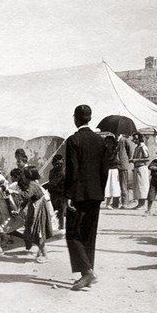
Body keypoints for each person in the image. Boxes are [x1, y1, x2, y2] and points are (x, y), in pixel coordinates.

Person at [64, 105, 108, 291]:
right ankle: (86, 273)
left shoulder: (73, 140)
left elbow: (72, 171)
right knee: (89, 234)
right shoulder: (101, 141)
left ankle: (87, 271)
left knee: (73, 234)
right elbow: (104, 171)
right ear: (90, 118)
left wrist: (67, 195)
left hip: (78, 195)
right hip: (96, 194)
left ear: (76, 118)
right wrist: (99, 191)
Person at [16, 167, 53, 262]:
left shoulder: (32, 185)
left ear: (28, 176)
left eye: (23, 175)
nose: (22, 177)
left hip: (38, 210)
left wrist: (13, 192)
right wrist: (19, 210)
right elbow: (26, 200)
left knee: (37, 233)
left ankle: (45, 255)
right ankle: (41, 252)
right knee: (34, 232)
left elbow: (25, 196)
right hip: (36, 209)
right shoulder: (33, 184)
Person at [44, 155, 66, 229]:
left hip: (61, 195)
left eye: (61, 164)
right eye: (57, 164)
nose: (59, 165)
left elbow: (53, 183)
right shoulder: (52, 171)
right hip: (53, 194)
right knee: (52, 212)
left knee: (60, 213)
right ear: (53, 164)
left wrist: (41, 187)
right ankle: (54, 227)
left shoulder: (61, 173)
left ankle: (61, 228)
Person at [130, 132, 150, 209]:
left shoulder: (143, 147)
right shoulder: (137, 147)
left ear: (140, 139)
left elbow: (147, 158)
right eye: (134, 138)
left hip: (142, 168)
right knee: (137, 186)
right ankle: (139, 203)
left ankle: (142, 204)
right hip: (137, 168)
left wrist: (135, 160)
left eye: (136, 138)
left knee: (142, 186)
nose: (134, 140)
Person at [145, 148, 157, 216]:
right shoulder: (155, 161)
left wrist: (156, 168)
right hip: (154, 179)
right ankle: (148, 209)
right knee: (151, 195)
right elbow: (150, 167)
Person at [104, 135, 121, 209]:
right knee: (110, 186)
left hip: (112, 169)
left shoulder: (112, 150)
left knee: (112, 186)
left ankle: (110, 203)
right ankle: (108, 203)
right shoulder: (110, 150)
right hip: (110, 169)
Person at [116, 134, 133, 208]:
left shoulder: (124, 140)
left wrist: (127, 159)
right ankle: (118, 202)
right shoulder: (117, 141)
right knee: (119, 184)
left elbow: (130, 151)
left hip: (123, 165)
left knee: (124, 184)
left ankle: (125, 203)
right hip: (117, 164)